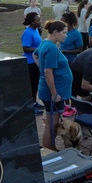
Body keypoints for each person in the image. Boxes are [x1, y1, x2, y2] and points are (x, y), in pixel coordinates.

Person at [35, 20, 73, 150]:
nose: (65, 36)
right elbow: (48, 71)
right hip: (52, 94)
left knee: (52, 123)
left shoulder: (45, 43)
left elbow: (35, 56)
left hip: (51, 91)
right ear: (55, 32)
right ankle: (48, 151)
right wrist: (54, 93)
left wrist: (42, 69)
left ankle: (50, 149)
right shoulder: (51, 47)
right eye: (63, 33)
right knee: (51, 125)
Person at [22, 12, 44, 115]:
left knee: (35, 84)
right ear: (32, 22)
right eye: (38, 20)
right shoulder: (28, 32)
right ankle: (30, 106)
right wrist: (40, 49)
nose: (40, 22)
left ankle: (35, 102)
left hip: (36, 62)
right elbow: (25, 48)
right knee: (31, 85)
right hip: (30, 62)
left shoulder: (36, 30)